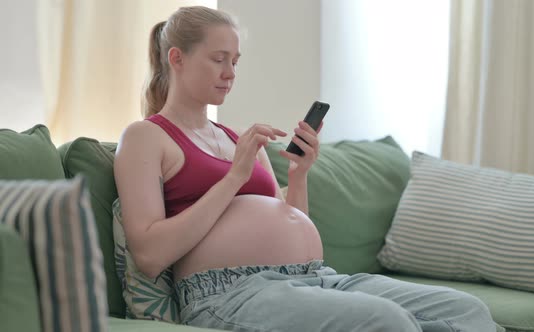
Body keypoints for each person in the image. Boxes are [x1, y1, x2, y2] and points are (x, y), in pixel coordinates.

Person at [114, 5, 500, 332]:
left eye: (235, 61)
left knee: (468, 312)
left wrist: (299, 175)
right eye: (218, 60)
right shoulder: (146, 138)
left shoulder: (238, 139)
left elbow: (291, 222)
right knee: (385, 320)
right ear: (177, 58)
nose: (230, 73)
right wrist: (234, 178)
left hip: (313, 277)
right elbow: (149, 254)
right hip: (225, 292)